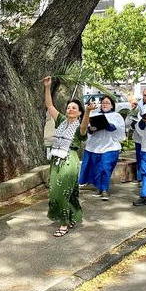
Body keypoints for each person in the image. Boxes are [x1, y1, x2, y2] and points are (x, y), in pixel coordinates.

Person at [42, 76, 93, 237]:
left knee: (62, 193)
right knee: (56, 191)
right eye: (69, 107)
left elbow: (84, 127)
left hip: (69, 160)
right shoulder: (62, 120)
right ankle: (71, 217)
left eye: (74, 108)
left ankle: (64, 223)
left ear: (79, 113)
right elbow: (49, 105)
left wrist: (89, 111)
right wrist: (47, 87)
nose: (70, 109)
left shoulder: (80, 126)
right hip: (56, 160)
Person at [78, 95, 126, 200]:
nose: (105, 104)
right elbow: (88, 130)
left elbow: (118, 129)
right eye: (103, 102)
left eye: (107, 103)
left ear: (112, 105)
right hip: (95, 146)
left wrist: (107, 125)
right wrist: (92, 128)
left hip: (110, 146)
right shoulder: (95, 114)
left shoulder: (116, 116)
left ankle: (104, 189)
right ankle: (99, 188)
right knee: (97, 168)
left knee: (105, 167)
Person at [129, 88, 146, 182]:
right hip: (139, 137)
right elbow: (129, 119)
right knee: (139, 157)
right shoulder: (137, 106)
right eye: (145, 95)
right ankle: (140, 178)